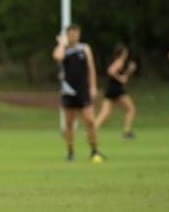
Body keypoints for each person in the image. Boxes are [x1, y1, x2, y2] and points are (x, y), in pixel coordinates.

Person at [53, 23, 104, 162]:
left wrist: (93, 86)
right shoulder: (64, 49)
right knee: (69, 123)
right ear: (67, 35)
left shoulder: (85, 48)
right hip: (68, 91)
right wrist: (61, 43)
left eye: (76, 33)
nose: (73, 36)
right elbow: (57, 57)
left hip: (83, 90)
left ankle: (94, 150)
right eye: (70, 34)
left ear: (79, 34)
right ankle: (70, 152)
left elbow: (91, 68)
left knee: (90, 121)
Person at [95, 43, 137, 139]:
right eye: (125, 52)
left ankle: (91, 131)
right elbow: (110, 71)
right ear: (122, 53)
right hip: (116, 89)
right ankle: (126, 132)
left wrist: (129, 70)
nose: (126, 53)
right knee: (131, 109)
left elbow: (124, 78)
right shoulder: (119, 61)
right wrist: (120, 78)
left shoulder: (119, 62)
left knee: (105, 113)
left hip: (111, 88)